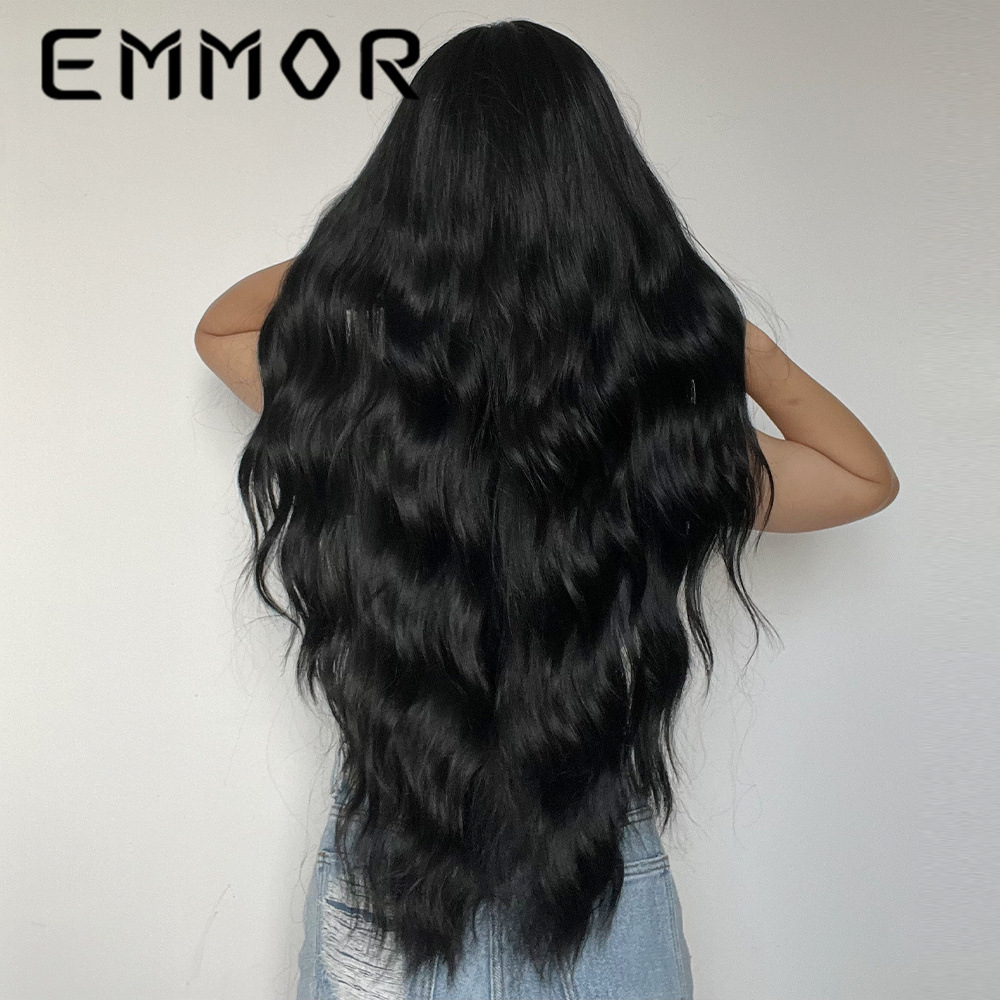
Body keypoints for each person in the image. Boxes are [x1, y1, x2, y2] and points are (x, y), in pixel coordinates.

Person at [194, 19, 899, 1000]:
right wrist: (709, 318)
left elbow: (223, 327)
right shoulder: (647, 445)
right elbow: (856, 475)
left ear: (410, 184)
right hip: (589, 872)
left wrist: (381, 249)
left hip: (397, 867)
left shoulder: (364, 418)